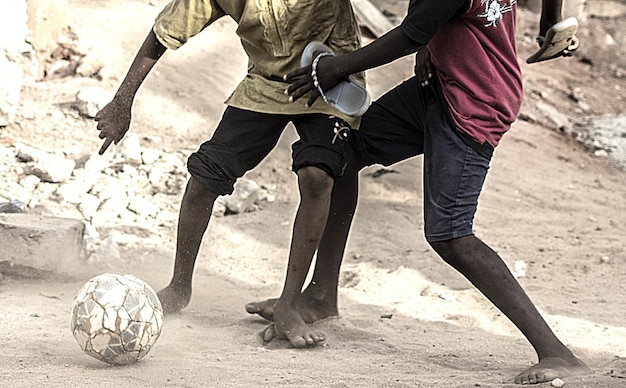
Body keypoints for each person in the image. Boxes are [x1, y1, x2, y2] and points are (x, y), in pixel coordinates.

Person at [247, 0, 591, 384]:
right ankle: (320, 297)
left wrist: (336, 67)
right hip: (444, 83)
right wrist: (551, 20)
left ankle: (557, 353)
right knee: (346, 153)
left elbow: (409, 35)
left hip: (475, 101)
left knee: (451, 235)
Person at [94, 0, 365, 348]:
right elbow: (163, 33)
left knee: (317, 175)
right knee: (203, 177)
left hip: (330, 78)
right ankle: (179, 286)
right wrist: (122, 100)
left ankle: (289, 302)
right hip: (265, 84)